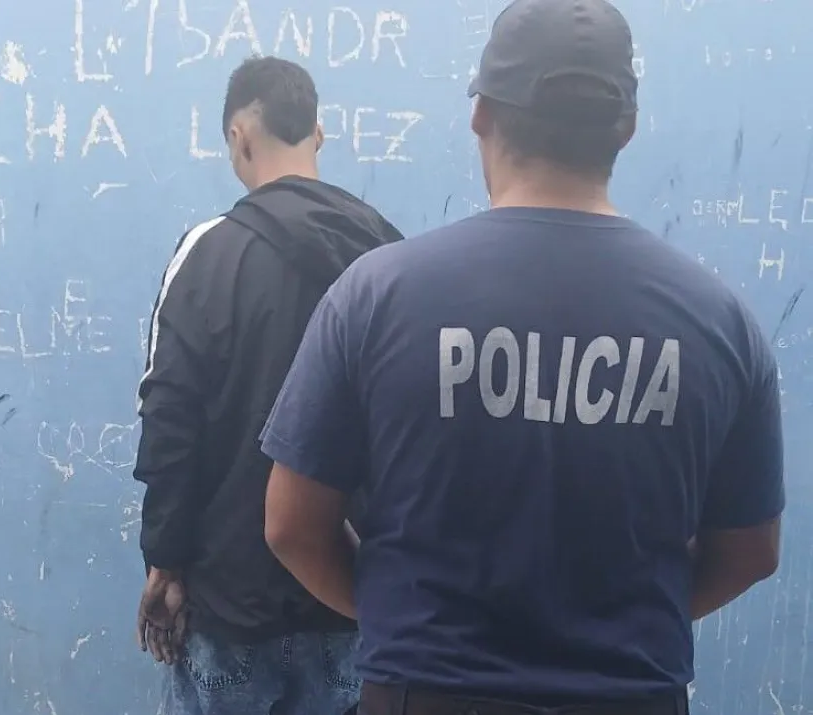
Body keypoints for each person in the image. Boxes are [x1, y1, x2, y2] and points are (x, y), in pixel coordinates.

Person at [259, 1, 785, 714]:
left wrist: (401, 623)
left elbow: (292, 525)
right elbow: (751, 551)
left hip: (425, 691)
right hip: (631, 695)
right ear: (625, 129)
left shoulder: (377, 295)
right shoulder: (722, 323)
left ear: (481, 115)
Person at [132, 55, 404, 715]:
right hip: (353, 601)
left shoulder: (206, 254)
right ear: (318, 134)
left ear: (238, 137)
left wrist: (165, 565)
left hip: (229, 605)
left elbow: (170, 420)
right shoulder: (389, 258)